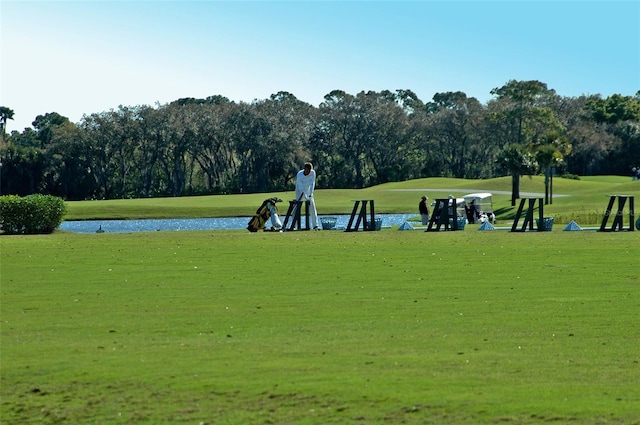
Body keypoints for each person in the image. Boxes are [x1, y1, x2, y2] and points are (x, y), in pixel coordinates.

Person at [295, 162, 319, 230]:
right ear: (305, 169)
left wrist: (311, 194)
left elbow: (312, 183)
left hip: (308, 190)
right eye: (307, 170)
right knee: (297, 207)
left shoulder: (313, 173)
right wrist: (305, 197)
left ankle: (315, 225)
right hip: (299, 191)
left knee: (312, 206)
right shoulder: (299, 175)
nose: (308, 172)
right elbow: (301, 188)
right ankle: (295, 225)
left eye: (309, 171)